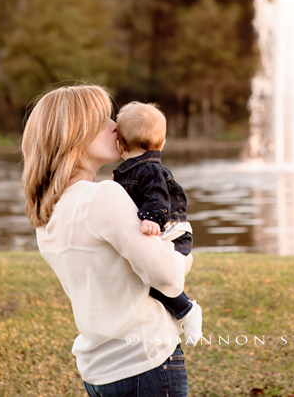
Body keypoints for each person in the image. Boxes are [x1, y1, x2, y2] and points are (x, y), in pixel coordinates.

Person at [23, 85, 191, 396]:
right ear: (74, 135)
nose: (115, 126)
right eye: (102, 121)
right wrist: (183, 242)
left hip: (98, 371)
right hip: (146, 362)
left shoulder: (46, 213)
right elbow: (169, 277)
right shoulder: (104, 196)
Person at [113, 101, 202, 345]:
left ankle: (187, 311)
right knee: (143, 275)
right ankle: (178, 312)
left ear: (119, 145)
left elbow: (157, 196)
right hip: (160, 230)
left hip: (171, 230)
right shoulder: (126, 171)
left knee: (152, 275)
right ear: (162, 143)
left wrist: (152, 218)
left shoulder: (149, 168)